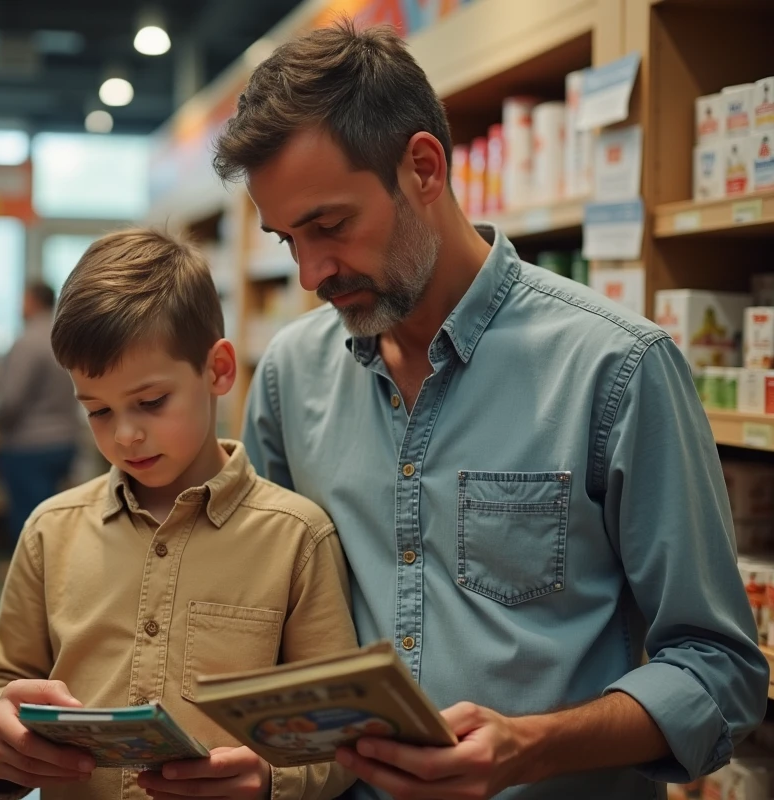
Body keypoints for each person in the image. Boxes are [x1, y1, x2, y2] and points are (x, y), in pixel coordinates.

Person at [212, 20, 769, 800]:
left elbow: (722, 672)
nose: (311, 273)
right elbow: (270, 635)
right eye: (286, 240)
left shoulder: (617, 368)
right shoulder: (289, 378)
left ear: (424, 168)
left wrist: (531, 749)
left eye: (330, 227)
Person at [0, 230, 359, 800]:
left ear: (218, 370)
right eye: (97, 411)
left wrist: (272, 779)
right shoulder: (50, 531)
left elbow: (339, 735)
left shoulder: (295, 538)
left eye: (151, 402)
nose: (125, 434)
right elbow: (4, 684)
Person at [0, 280, 82, 545]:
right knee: (55, 515)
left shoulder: (28, 342)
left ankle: (32, 577)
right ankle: (52, 571)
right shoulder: (66, 339)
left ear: (31, 301)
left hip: (28, 444)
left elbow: (11, 400)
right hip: (64, 439)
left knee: (29, 517)